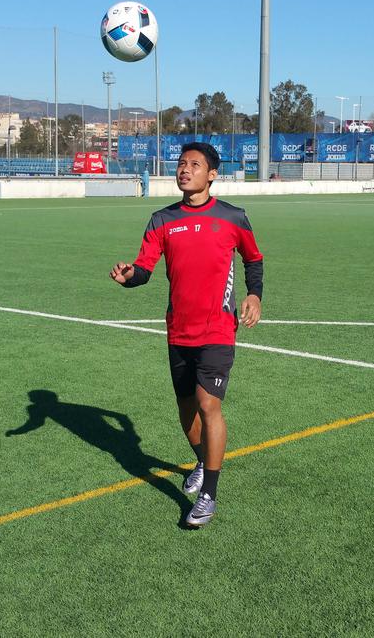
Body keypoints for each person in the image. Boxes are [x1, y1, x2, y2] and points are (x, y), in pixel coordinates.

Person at [109, 142, 264, 528]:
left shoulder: (233, 217)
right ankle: (200, 459)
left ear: (212, 174)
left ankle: (209, 492)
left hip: (217, 329)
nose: (185, 170)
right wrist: (130, 278)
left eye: (194, 165)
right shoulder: (162, 219)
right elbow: (144, 268)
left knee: (208, 405)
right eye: (181, 164)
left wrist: (254, 296)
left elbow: (254, 259)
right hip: (178, 330)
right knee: (185, 409)